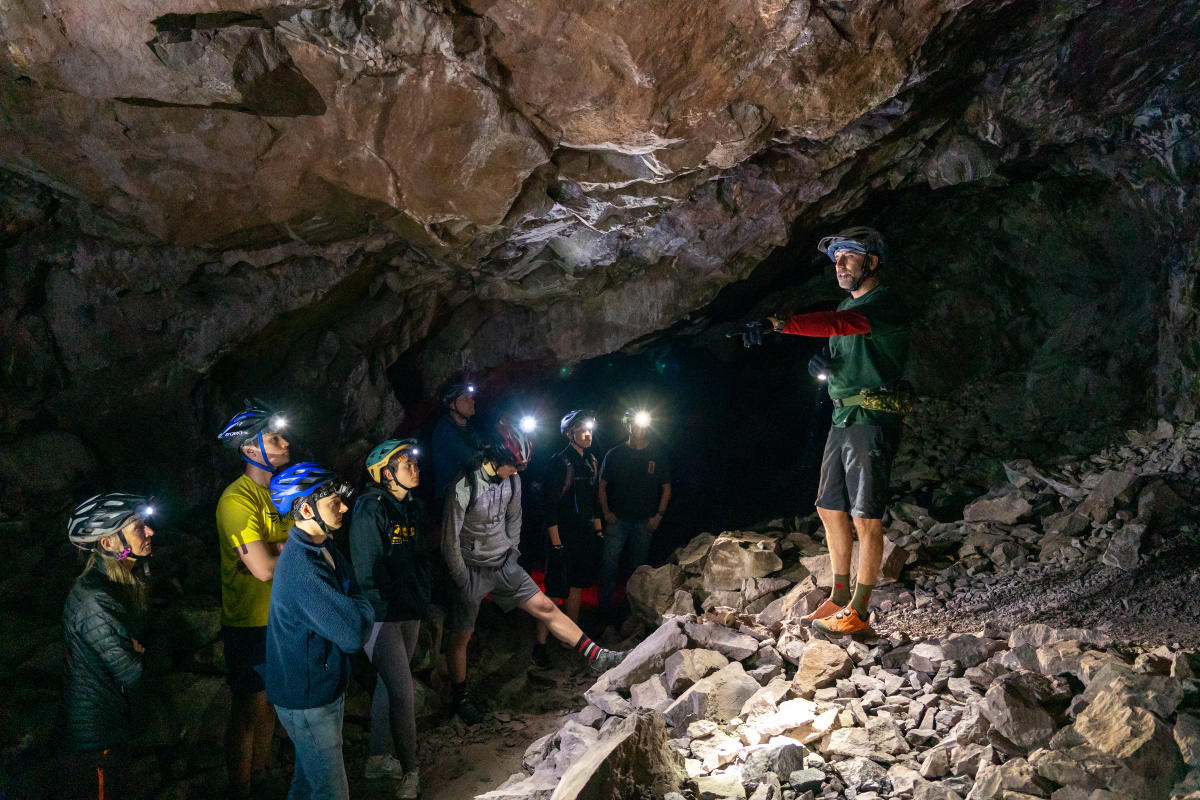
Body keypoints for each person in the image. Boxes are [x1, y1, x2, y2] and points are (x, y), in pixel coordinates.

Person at [745, 226, 911, 637]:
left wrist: (780, 324)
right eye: (835, 257)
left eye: (849, 256)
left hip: (871, 418)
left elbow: (842, 326)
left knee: (865, 516)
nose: (839, 264)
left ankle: (859, 609)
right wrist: (820, 367)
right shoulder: (844, 307)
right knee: (828, 507)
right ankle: (838, 596)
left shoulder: (885, 303)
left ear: (872, 262)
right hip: (842, 419)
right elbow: (839, 344)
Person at [442, 431, 625, 723]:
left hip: (503, 563)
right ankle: (460, 696)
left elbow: (515, 518)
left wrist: (512, 552)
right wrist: (462, 578)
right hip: (472, 568)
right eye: (513, 465)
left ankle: (597, 656)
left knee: (546, 607)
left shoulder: (512, 480)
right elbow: (449, 539)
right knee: (462, 634)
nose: (516, 471)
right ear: (496, 458)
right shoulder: (465, 484)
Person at [265, 463, 375, 800]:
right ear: (307, 509)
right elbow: (354, 632)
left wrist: (358, 607)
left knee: (305, 783)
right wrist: (361, 608)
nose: (343, 507)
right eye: (334, 503)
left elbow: (356, 603)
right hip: (309, 697)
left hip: (316, 687)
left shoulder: (323, 546)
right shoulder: (303, 568)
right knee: (331, 792)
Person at [215, 400, 293, 798]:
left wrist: (276, 549)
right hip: (249, 622)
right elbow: (263, 567)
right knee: (249, 709)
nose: (285, 442)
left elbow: (311, 541)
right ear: (249, 450)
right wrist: (287, 549)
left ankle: (261, 776)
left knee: (273, 704)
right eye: (274, 438)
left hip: (281, 617)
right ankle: (240, 789)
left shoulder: (279, 492)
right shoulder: (236, 500)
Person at [60, 493, 157, 799]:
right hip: (95, 737)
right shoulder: (96, 600)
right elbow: (133, 673)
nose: (150, 531)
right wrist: (142, 653)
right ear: (108, 543)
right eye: (138, 527)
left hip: (109, 727)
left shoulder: (117, 585)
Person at [348, 439, 429, 798]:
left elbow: (416, 559)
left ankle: (377, 757)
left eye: (413, 460)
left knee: (388, 684)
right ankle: (411, 771)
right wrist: (381, 609)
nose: (413, 466)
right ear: (385, 473)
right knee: (402, 691)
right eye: (404, 462)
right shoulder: (369, 509)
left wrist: (420, 596)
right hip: (381, 615)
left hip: (408, 608)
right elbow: (366, 569)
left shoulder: (410, 506)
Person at [597, 408, 672, 613]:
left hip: (644, 521)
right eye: (634, 423)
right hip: (618, 520)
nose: (638, 427)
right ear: (626, 425)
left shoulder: (657, 453)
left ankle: (632, 613)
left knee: (638, 569)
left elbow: (666, 487)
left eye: (642, 423)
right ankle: (603, 609)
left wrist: (659, 516)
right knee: (609, 565)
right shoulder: (615, 454)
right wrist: (606, 513)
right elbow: (602, 485)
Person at [539, 410, 604, 639]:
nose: (588, 434)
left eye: (590, 430)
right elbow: (549, 506)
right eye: (582, 430)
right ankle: (541, 644)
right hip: (563, 533)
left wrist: (597, 530)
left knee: (576, 585)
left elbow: (593, 500)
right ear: (569, 434)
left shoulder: (591, 461)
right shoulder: (560, 462)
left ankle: (572, 636)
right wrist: (556, 545)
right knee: (555, 590)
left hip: (582, 534)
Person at [431, 377, 485, 504]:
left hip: (467, 492)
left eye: (472, 398)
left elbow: (482, 450)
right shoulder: (444, 429)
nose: (472, 402)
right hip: (449, 498)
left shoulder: (469, 429)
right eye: (466, 399)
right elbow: (470, 458)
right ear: (451, 404)